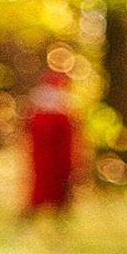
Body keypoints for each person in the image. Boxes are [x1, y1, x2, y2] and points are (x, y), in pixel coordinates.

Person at [24, 70, 78, 218]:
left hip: (49, 157)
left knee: (48, 175)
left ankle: (50, 206)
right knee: (47, 175)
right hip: (49, 156)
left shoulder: (41, 112)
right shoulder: (60, 112)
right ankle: (49, 206)